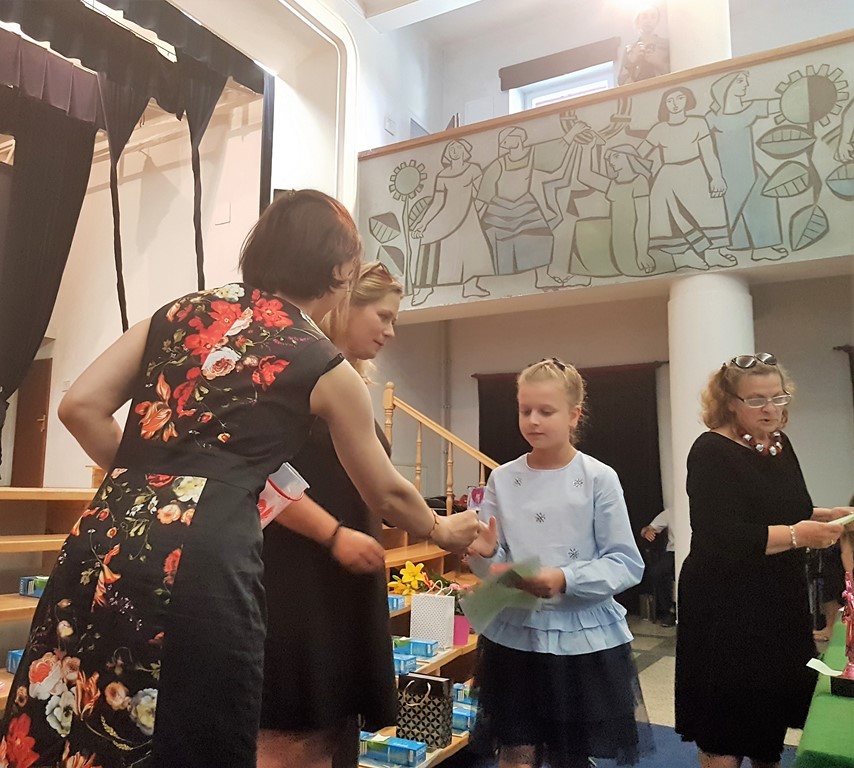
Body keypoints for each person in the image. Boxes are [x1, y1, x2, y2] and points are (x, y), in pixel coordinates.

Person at [0, 190, 480, 768]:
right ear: (337, 271)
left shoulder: (178, 313)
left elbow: (79, 407)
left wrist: (152, 479)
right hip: (204, 556)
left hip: (105, 530)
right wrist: (443, 529)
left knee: (76, 706)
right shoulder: (320, 360)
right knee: (189, 730)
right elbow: (387, 493)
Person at [467, 358, 652, 768]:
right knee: (515, 749)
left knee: (571, 755)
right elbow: (494, 569)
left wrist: (565, 578)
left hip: (580, 639)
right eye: (525, 410)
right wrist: (487, 556)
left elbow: (625, 562)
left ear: (574, 415)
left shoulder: (598, 477)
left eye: (546, 411)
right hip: (516, 636)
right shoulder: (502, 479)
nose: (533, 420)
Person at [259, 261, 403, 768]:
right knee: (291, 739)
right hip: (298, 581)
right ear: (344, 305)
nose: (390, 331)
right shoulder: (290, 380)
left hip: (341, 581)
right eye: (382, 316)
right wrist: (334, 534)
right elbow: (262, 477)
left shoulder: (351, 387)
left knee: (332, 737)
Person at [675, 352, 850, 768]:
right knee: (727, 722)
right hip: (726, 602)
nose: (770, 408)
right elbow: (723, 535)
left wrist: (820, 516)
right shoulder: (710, 450)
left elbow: (782, 509)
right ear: (729, 402)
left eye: (778, 397)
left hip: (777, 595)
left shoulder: (778, 444)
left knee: (769, 711)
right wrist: (798, 535)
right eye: (756, 399)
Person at [640, 508, 676, 627]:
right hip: (674, 551)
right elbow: (646, 529)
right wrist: (647, 532)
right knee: (658, 572)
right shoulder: (671, 512)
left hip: (692, 549)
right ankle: (669, 610)